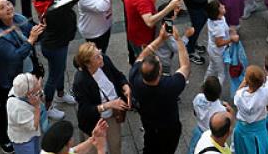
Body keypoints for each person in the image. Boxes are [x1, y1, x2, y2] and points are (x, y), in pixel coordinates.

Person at [129, 22, 192, 154]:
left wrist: (160, 38)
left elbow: (141, 56)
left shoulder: (135, 78)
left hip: (149, 125)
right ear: (159, 71)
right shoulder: (170, 86)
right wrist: (179, 40)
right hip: (169, 128)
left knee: (149, 145)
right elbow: (185, 66)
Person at [0, 0, 43, 153]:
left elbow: (32, 30)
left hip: (25, 71)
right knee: (6, 107)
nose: (8, 7)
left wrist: (40, 28)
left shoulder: (18, 19)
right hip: (6, 79)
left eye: (8, 4)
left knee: (26, 101)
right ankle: (2, 137)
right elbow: (14, 57)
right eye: (2, 7)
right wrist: (31, 40)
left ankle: (27, 120)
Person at [71, 41, 130, 154]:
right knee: (93, 149)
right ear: (88, 64)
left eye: (100, 53)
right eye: (97, 57)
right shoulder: (80, 81)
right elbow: (84, 110)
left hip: (112, 116)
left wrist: (125, 86)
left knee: (115, 144)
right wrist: (108, 105)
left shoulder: (105, 61)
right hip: (94, 122)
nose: (101, 58)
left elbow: (118, 76)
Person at [7, 72, 43, 154]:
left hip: (31, 134)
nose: (35, 76)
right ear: (29, 93)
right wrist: (37, 107)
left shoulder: (18, 89)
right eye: (35, 82)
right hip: (24, 140)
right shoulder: (18, 108)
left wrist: (38, 89)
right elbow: (33, 126)